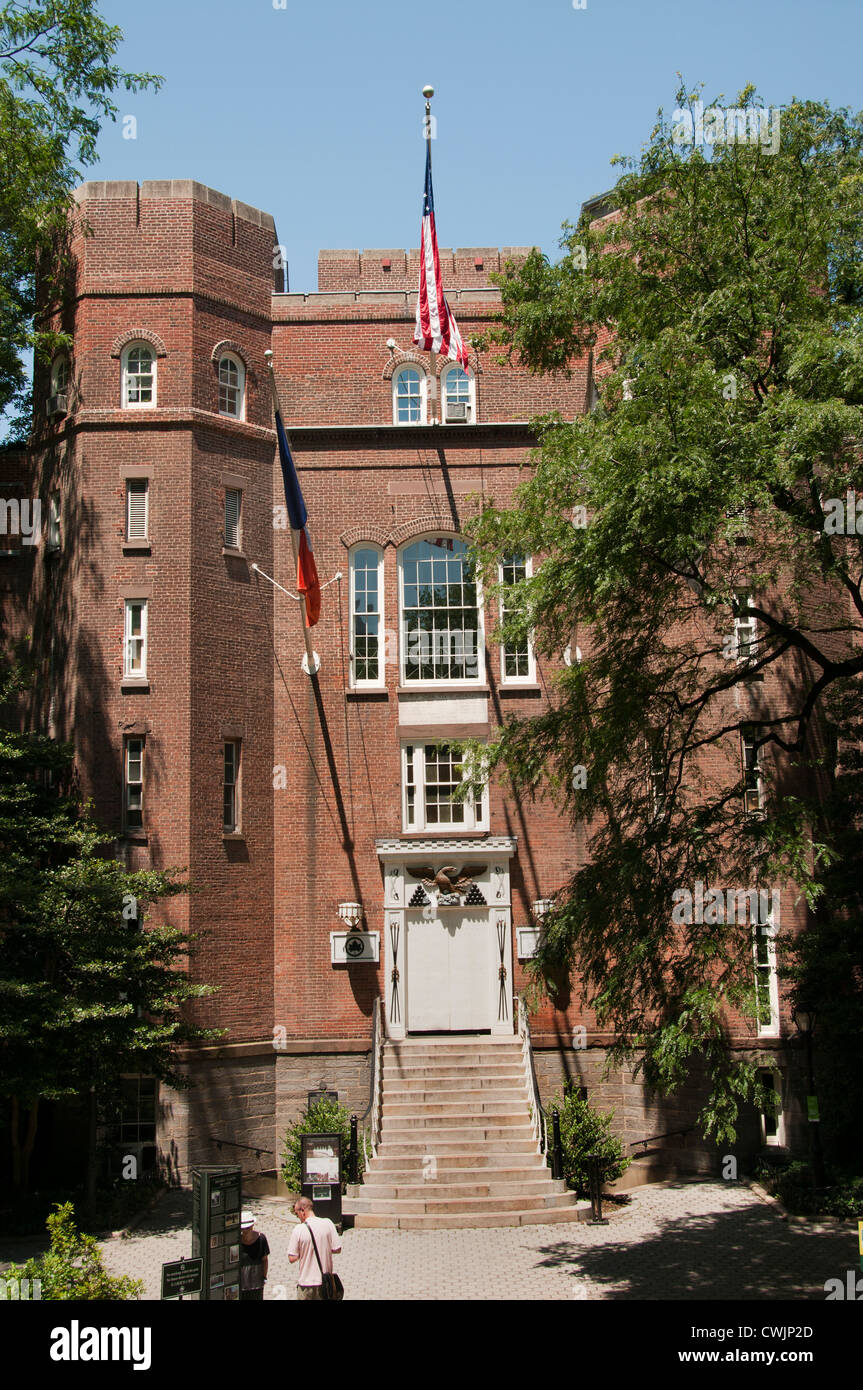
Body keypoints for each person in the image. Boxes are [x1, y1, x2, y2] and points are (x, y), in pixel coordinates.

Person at [287, 1196, 342, 1300]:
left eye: (296, 1213)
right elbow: (337, 1249)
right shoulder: (328, 1223)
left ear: (302, 1211)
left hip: (306, 1284)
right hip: (325, 1283)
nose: (297, 1217)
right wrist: (323, 1248)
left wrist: (305, 1252)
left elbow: (291, 1258)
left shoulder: (299, 1229)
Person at [239, 1210, 269, 1300]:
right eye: (242, 1228)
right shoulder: (236, 1241)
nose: (244, 1231)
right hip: (241, 1285)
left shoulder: (261, 1239)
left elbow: (265, 1260)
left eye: (247, 1228)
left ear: (252, 1226)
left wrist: (264, 1277)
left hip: (256, 1284)